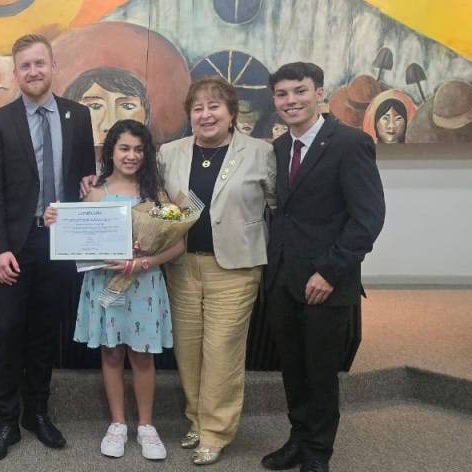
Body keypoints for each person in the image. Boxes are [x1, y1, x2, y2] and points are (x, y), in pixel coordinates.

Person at [0, 33, 96, 463]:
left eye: (39, 63)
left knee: (46, 330)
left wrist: (90, 189)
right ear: (15, 73)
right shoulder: (0, 121)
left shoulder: (78, 116)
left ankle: (38, 413)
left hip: (60, 243)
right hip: (15, 245)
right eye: (25, 65)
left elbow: (85, 179)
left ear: (52, 66)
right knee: (9, 331)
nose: (33, 71)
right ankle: (6, 421)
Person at [262, 62, 385, 472]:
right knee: (293, 369)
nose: (291, 101)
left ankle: (317, 452)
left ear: (319, 93)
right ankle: (298, 439)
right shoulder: (280, 147)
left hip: (326, 282)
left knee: (320, 372)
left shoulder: (350, 143)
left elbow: (367, 219)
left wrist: (330, 272)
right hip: (283, 279)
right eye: (282, 94)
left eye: (300, 91)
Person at [45, 119, 182, 460]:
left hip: (144, 284)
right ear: (111, 152)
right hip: (104, 283)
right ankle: (118, 424)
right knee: (110, 353)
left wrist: (144, 262)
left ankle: (146, 426)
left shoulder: (157, 194)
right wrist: (55, 221)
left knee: (143, 355)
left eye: (138, 149)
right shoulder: (95, 192)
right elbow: (77, 238)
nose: (131, 155)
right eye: (124, 148)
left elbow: (179, 245)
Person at [157, 76, 276, 466]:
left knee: (222, 351)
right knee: (189, 350)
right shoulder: (169, 153)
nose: (205, 115)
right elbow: (157, 200)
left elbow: (278, 205)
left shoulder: (260, 152)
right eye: (198, 108)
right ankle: (196, 419)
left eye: (214, 107)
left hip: (236, 268)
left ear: (231, 113)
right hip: (182, 265)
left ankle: (216, 431)